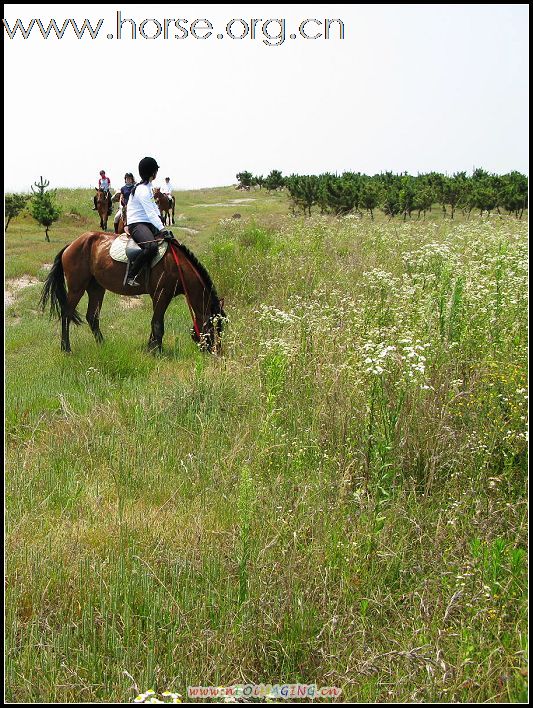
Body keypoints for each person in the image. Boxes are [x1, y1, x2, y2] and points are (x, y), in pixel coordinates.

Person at [125, 157, 168, 287]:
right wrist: (163, 229)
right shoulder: (143, 190)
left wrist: (161, 221)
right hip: (137, 224)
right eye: (156, 171)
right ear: (152, 172)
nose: (157, 173)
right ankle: (131, 276)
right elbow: (149, 213)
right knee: (151, 247)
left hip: (146, 222)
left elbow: (153, 207)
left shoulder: (148, 187)